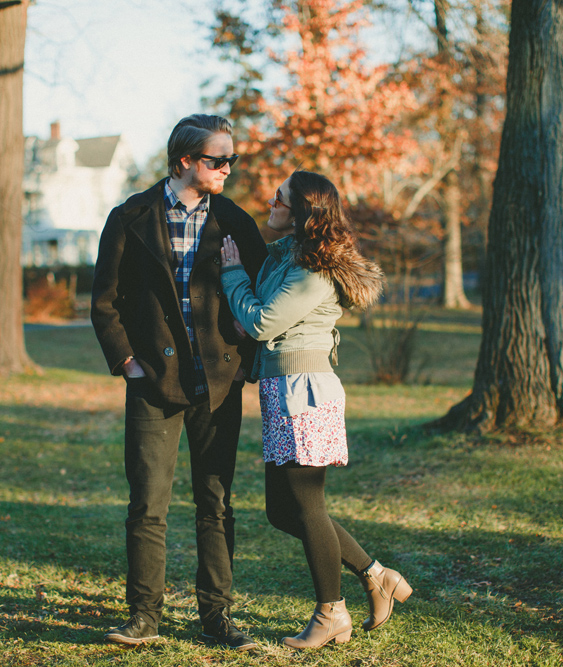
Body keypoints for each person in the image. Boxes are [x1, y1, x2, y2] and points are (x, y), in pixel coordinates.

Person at [91, 114, 268, 650]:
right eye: (218, 160)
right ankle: (144, 617)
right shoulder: (130, 216)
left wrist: (244, 362)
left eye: (231, 159)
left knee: (215, 502)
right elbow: (103, 302)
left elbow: (260, 297)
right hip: (154, 387)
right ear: (186, 161)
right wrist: (128, 363)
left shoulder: (236, 220)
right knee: (148, 505)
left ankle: (217, 617)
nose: (228, 169)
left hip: (218, 385)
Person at [219, 170, 412, 649]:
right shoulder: (289, 257)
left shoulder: (314, 269)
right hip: (283, 388)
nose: (271, 199)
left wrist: (230, 274)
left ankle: (332, 614)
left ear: (302, 211)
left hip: (304, 393)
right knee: (282, 511)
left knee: (306, 506)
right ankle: (377, 574)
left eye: (280, 197)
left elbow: (262, 321)